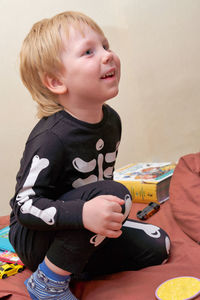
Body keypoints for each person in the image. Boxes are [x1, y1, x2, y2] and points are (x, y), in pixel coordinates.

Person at [9, 11, 170, 300]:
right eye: (88, 52)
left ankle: (75, 264)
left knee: (160, 244)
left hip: (81, 230)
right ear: (56, 81)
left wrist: (99, 217)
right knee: (114, 193)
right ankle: (47, 281)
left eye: (106, 46)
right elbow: (24, 206)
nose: (108, 55)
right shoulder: (51, 138)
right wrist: (84, 213)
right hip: (37, 237)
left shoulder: (111, 121)